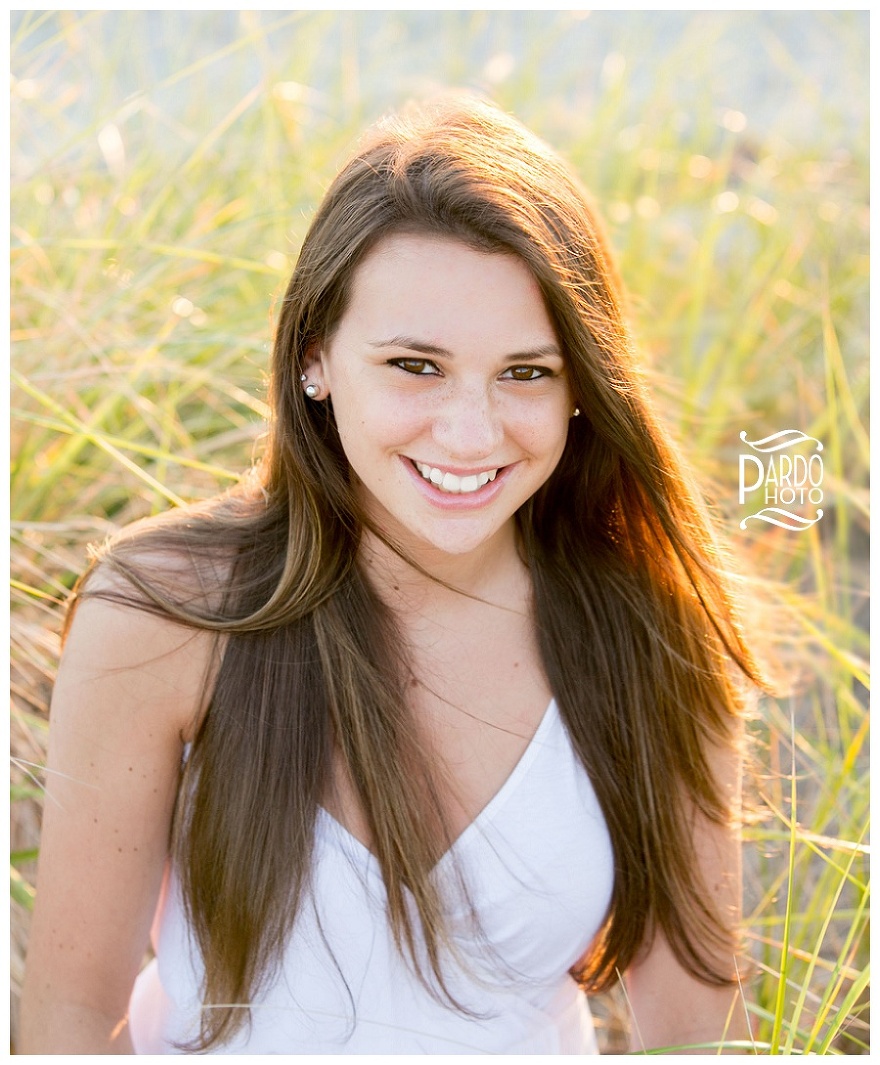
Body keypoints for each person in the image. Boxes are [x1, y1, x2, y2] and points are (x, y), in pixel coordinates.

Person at [20, 94, 764, 1055]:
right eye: (416, 364)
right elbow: (74, 1014)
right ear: (315, 357)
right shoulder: (167, 615)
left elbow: (701, 1039)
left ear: (582, 384)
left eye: (525, 372)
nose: (469, 432)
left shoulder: (654, 631)